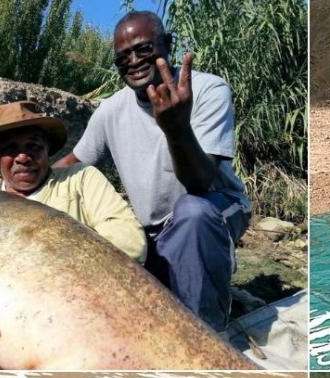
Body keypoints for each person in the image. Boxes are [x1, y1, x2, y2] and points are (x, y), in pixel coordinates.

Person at [0, 100, 147, 370]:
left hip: (76, 331)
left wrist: (56, 263)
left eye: (33, 146)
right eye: (10, 149)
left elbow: (132, 242)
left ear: (47, 151)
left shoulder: (81, 180)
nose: (22, 157)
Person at [54, 11, 251, 332]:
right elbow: (72, 165)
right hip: (153, 231)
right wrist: (13, 186)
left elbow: (200, 182)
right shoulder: (111, 110)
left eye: (144, 49)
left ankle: (208, 339)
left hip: (216, 207)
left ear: (167, 45)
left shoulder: (208, 90)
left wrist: (176, 129)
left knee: (193, 213)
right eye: (123, 57)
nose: (134, 61)